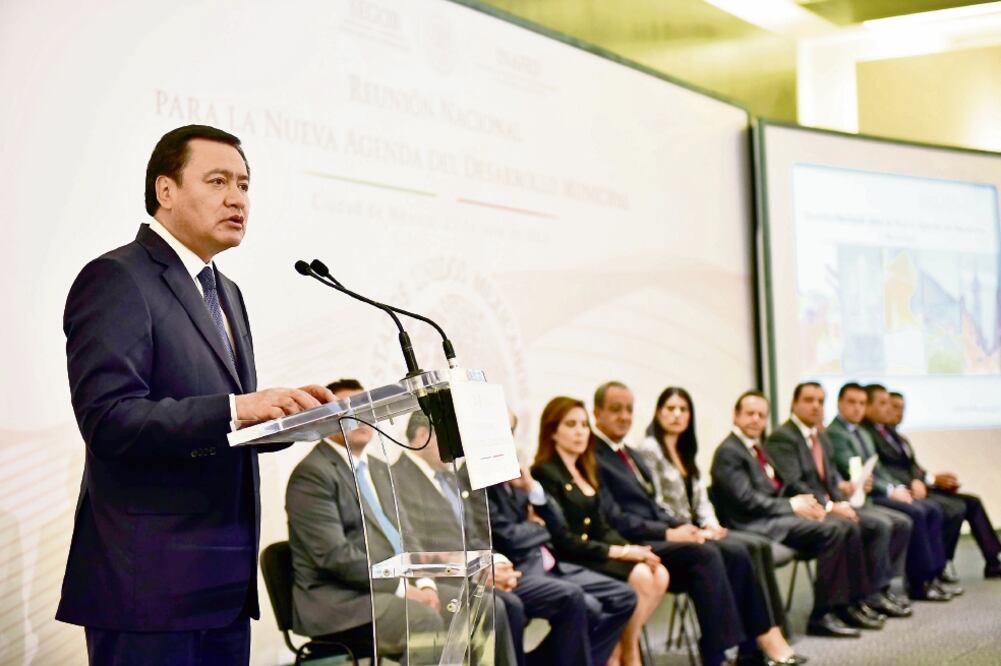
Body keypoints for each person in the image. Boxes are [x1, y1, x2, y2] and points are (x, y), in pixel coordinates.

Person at [58, 125, 334, 665]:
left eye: (245, 184)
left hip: (223, 587)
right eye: (218, 181)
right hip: (151, 592)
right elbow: (110, 420)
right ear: (166, 191)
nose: (238, 198)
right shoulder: (117, 278)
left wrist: (286, 419)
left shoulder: (224, 291)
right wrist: (237, 408)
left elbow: (223, 429)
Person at [595, 382, 802, 666]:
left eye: (628, 410)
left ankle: (752, 645)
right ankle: (716, 653)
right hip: (634, 541)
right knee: (707, 553)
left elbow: (654, 504)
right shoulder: (600, 456)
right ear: (597, 414)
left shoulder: (629, 454)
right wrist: (671, 530)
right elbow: (618, 517)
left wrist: (690, 528)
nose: (624, 416)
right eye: (615, 410)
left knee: (739, 550)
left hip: (663, 530)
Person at [285, 380, 445, 660]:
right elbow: (334, 555)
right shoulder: (313, 474)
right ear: (325, 420)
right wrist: (400, 588)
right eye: (349, 409)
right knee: (422, 620)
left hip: (389, 588)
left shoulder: (381, 469)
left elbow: (408, 535)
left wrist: (425, 582)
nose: (361, 418)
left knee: (476, 603)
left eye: (366, 409)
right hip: (342, 601)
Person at [709, 391, 867, 638]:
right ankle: (822, 615)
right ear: (735, 415)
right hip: (752, 525)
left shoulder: (754, 448)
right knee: (833, 529)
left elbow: (777, 488)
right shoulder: (730, 451)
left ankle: (845, 604)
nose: (755, 420)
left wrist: (811, 506)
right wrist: (792, 505)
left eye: (761, 415)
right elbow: (746, 501)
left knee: (844, 523)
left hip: (773, 518)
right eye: (749, 413)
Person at [486, 412, 637, 666]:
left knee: (624, 597)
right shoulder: (483, 481)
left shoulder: (518, 476)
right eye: (502, 431)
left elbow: (557, 525)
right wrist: (538, 527)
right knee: (586, 604)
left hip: (554, 563)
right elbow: (510, 538)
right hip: (525, 569)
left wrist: (533, 489)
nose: (507, 440)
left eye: (510, 432)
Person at [531, 397, 670, 666]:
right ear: (552, 431)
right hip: (573, 557)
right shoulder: (545, 473)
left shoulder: (586, 468)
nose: (581, 431)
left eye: (584, 424)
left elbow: (602, 527)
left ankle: (620, 647)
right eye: (571, 424)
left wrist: (635, 551)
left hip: (595, 551)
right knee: (642, 576)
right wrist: (622, 551)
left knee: (658, 572)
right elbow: (564, 540)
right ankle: (628, 654)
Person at [765, 382, 912, 624]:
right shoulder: (783, 438)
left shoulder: (819, 436)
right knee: (858, 526)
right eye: (809, 400)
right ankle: (835, 608)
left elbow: (831, 478)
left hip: (828, 505)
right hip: (805, 510)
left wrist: (843, 497)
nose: (815, 406)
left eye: (820, 401)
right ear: (794, 403)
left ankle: (863, 597)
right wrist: (832, 506)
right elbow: (794, 484)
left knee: (876, 522)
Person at [827, 383, 950, 601]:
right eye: (852, 402)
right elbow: (853, 472)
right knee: (913, 514)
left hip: (875, 491)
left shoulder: (861, 433)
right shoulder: (835, 433)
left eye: (862, 403)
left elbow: (878, 469)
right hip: (865, 496)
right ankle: (910, 583)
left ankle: (929, 575)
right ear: (839, 404)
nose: (857, 408)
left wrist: (897, 487)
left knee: (930, 508)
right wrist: (891, 490)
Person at [872, 388, 1001, 580]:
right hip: (903, 490)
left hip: (920, 486)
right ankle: (940, 564)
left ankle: (993, 559)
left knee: (972, 502)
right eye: (892, 406)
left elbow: (914, 468)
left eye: (901, 408)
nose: (897, 412)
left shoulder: (898, 437)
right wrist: (918, 482)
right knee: (952, 508)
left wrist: (933, 479)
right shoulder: (873, 436)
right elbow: (888, 471)